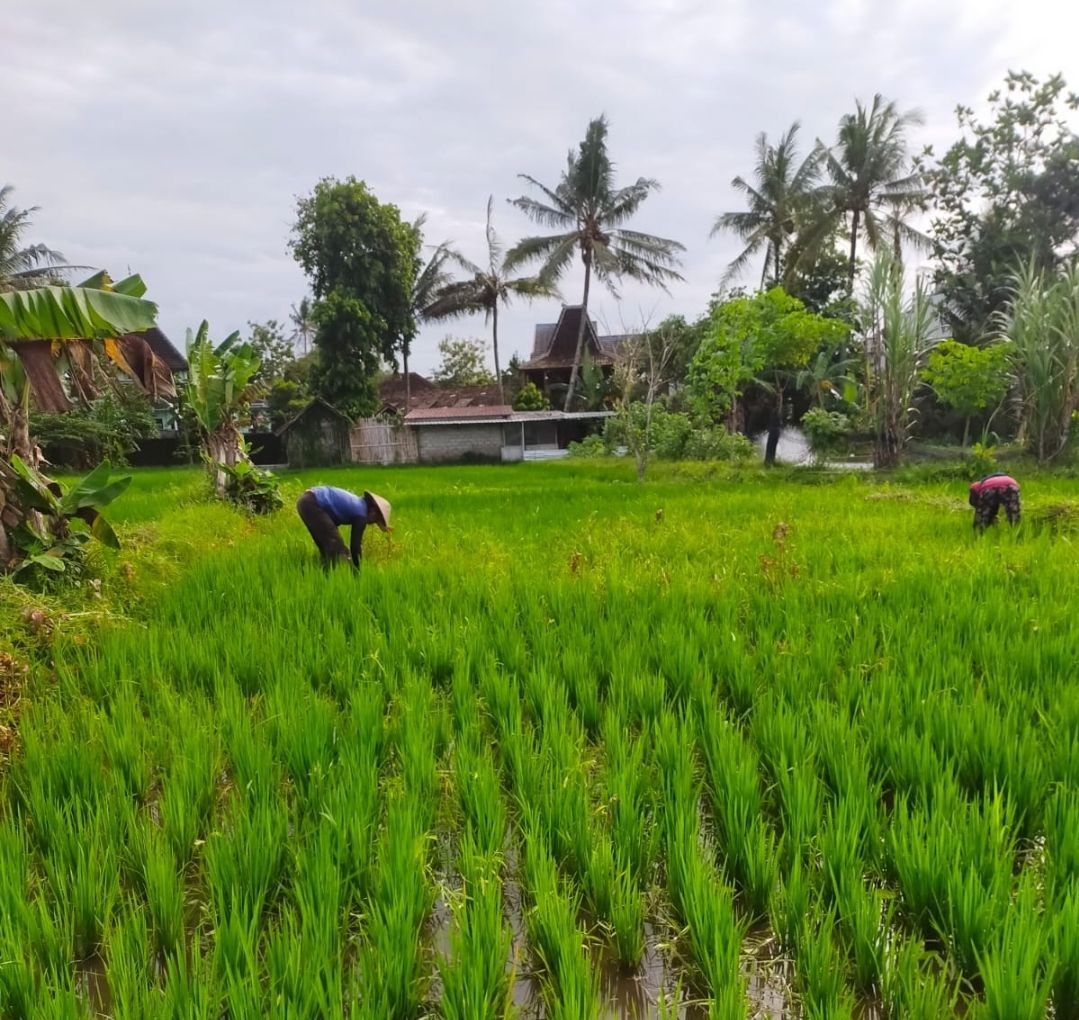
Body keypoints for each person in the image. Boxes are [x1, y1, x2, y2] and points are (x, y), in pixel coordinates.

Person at [296, 485, 391, 567]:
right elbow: (355, 547)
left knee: (326, 547)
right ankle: (334, 576)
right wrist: (358, 570)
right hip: (312, 503)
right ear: (373, 510)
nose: (373, 522)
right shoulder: (361, 514)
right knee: (336, 547)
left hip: (305, 501)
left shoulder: (357, 503)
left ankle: (323, 573)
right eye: (376, 519)